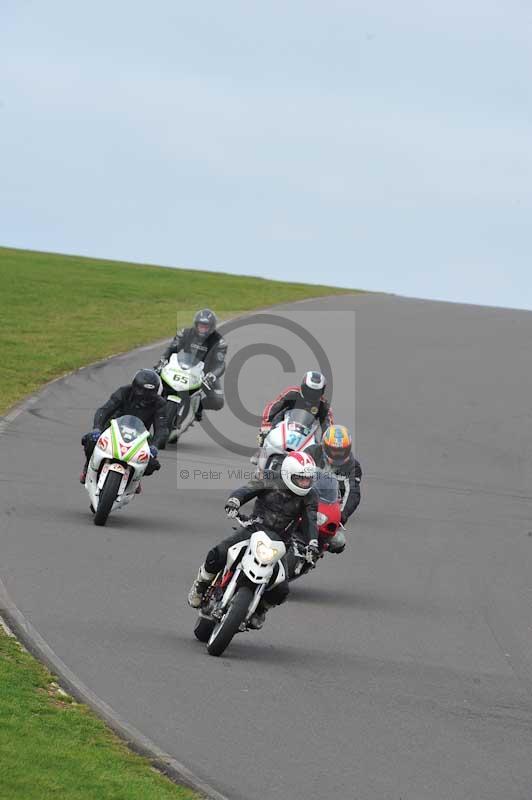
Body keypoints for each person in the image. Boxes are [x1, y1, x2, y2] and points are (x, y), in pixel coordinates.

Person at [187, 452, 319, 629]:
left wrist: (313, 543)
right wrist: (235, 501)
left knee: (282, 589)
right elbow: (247, 490)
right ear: (288, 473)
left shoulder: (310, 495)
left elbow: (311, 520)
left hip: (281, 542)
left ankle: (261, 609)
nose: (305, 483)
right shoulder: (269, 477)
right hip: (254, 528)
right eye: (300, 479)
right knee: (219, 553)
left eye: (308, 479)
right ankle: (201, 584)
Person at [79, 368, 168, 484]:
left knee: (152, 464)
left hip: (140, 436)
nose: (145, 396)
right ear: (135, 387)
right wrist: (97, 428)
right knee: (90, 440)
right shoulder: (124, 392)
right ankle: (87, 468)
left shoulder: (160, 403)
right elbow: (105, 410)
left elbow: (162, 428)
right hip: (113, 428)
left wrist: (154, 447)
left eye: (150, 393)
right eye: (142, 391)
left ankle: (134, 480)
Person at [155, 308, 227, 421]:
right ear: (196, 324)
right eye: (200, 325)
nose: (202, 329)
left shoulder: (219, 341)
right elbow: (171, 349)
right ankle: (152, 401)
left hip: (206, 372)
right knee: (154, 376)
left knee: (218, 401)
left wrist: (212, 375)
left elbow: (220, 364)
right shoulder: (185, 333)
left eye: (206, 326)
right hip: (183, 365)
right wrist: (163, 360)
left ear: (212, 327)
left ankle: (198, 408)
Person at [306, 425, 362, 552]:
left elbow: (353, 493)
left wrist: (342, 515)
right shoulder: (311, 452)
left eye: (342, 451)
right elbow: (295, 469)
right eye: (333, 450)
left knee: (338, 542)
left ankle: (316, 552)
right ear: (324, 446)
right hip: (304, 497)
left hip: (329, 507)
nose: (337, 454)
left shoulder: (353, 467)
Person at [257, 371, 333, 448]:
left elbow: (328, 426)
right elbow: (273, 406)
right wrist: (266, 425)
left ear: (322, 391)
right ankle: (261, 453)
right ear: (303, 386)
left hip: (307, 434)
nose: (311, 394)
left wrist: (327, 442)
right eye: (309, 390)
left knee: (320, 451)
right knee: (264, 435)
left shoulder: (323, 405)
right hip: (283, 426)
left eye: (316, 392)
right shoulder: (292, 393)